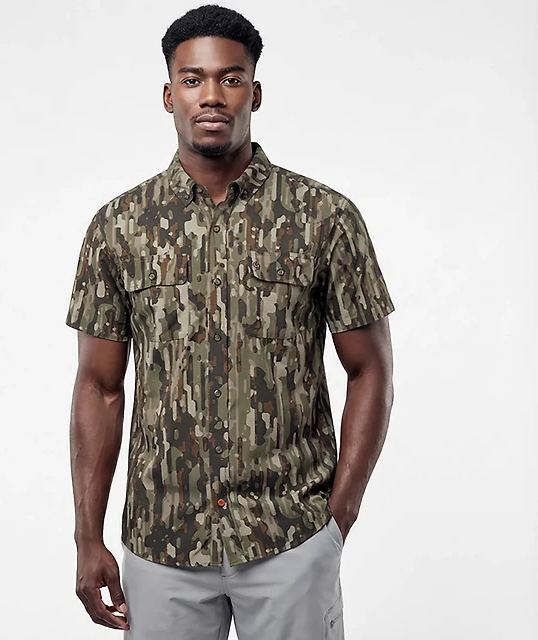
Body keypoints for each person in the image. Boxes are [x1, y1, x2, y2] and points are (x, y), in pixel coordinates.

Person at [65, 4, 395, 638]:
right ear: (169, 95)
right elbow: (98, 386)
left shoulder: (324, 217)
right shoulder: (119, 228)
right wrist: (87, 536)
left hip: (290, 534)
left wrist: (338, 519)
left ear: (255, 92)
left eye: (231, 78)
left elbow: (370, 370)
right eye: (192, 79)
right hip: (161, 540)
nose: (211, 95)